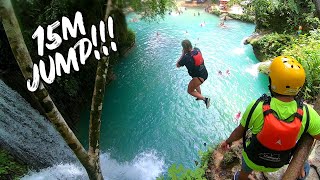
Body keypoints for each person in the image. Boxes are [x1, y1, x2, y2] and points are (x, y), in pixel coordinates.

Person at [220, 56, 320, 180]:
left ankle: (241, 178)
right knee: (305, 166)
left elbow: (239, 132)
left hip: (253, 159)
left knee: (246, 166)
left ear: (272, 82)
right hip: (278, 163)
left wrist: (228, 141)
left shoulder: (257, 107)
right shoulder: (307, 113)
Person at [176, 39, 210, 109]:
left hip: (199, 78)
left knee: (190, 90)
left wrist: (182, 54)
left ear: (184, 48)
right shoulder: (197, 50)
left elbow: (177, 65)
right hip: (204, 73)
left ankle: (205, 99)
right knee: (194, 82)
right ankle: (199, 95)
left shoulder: (186, 57)